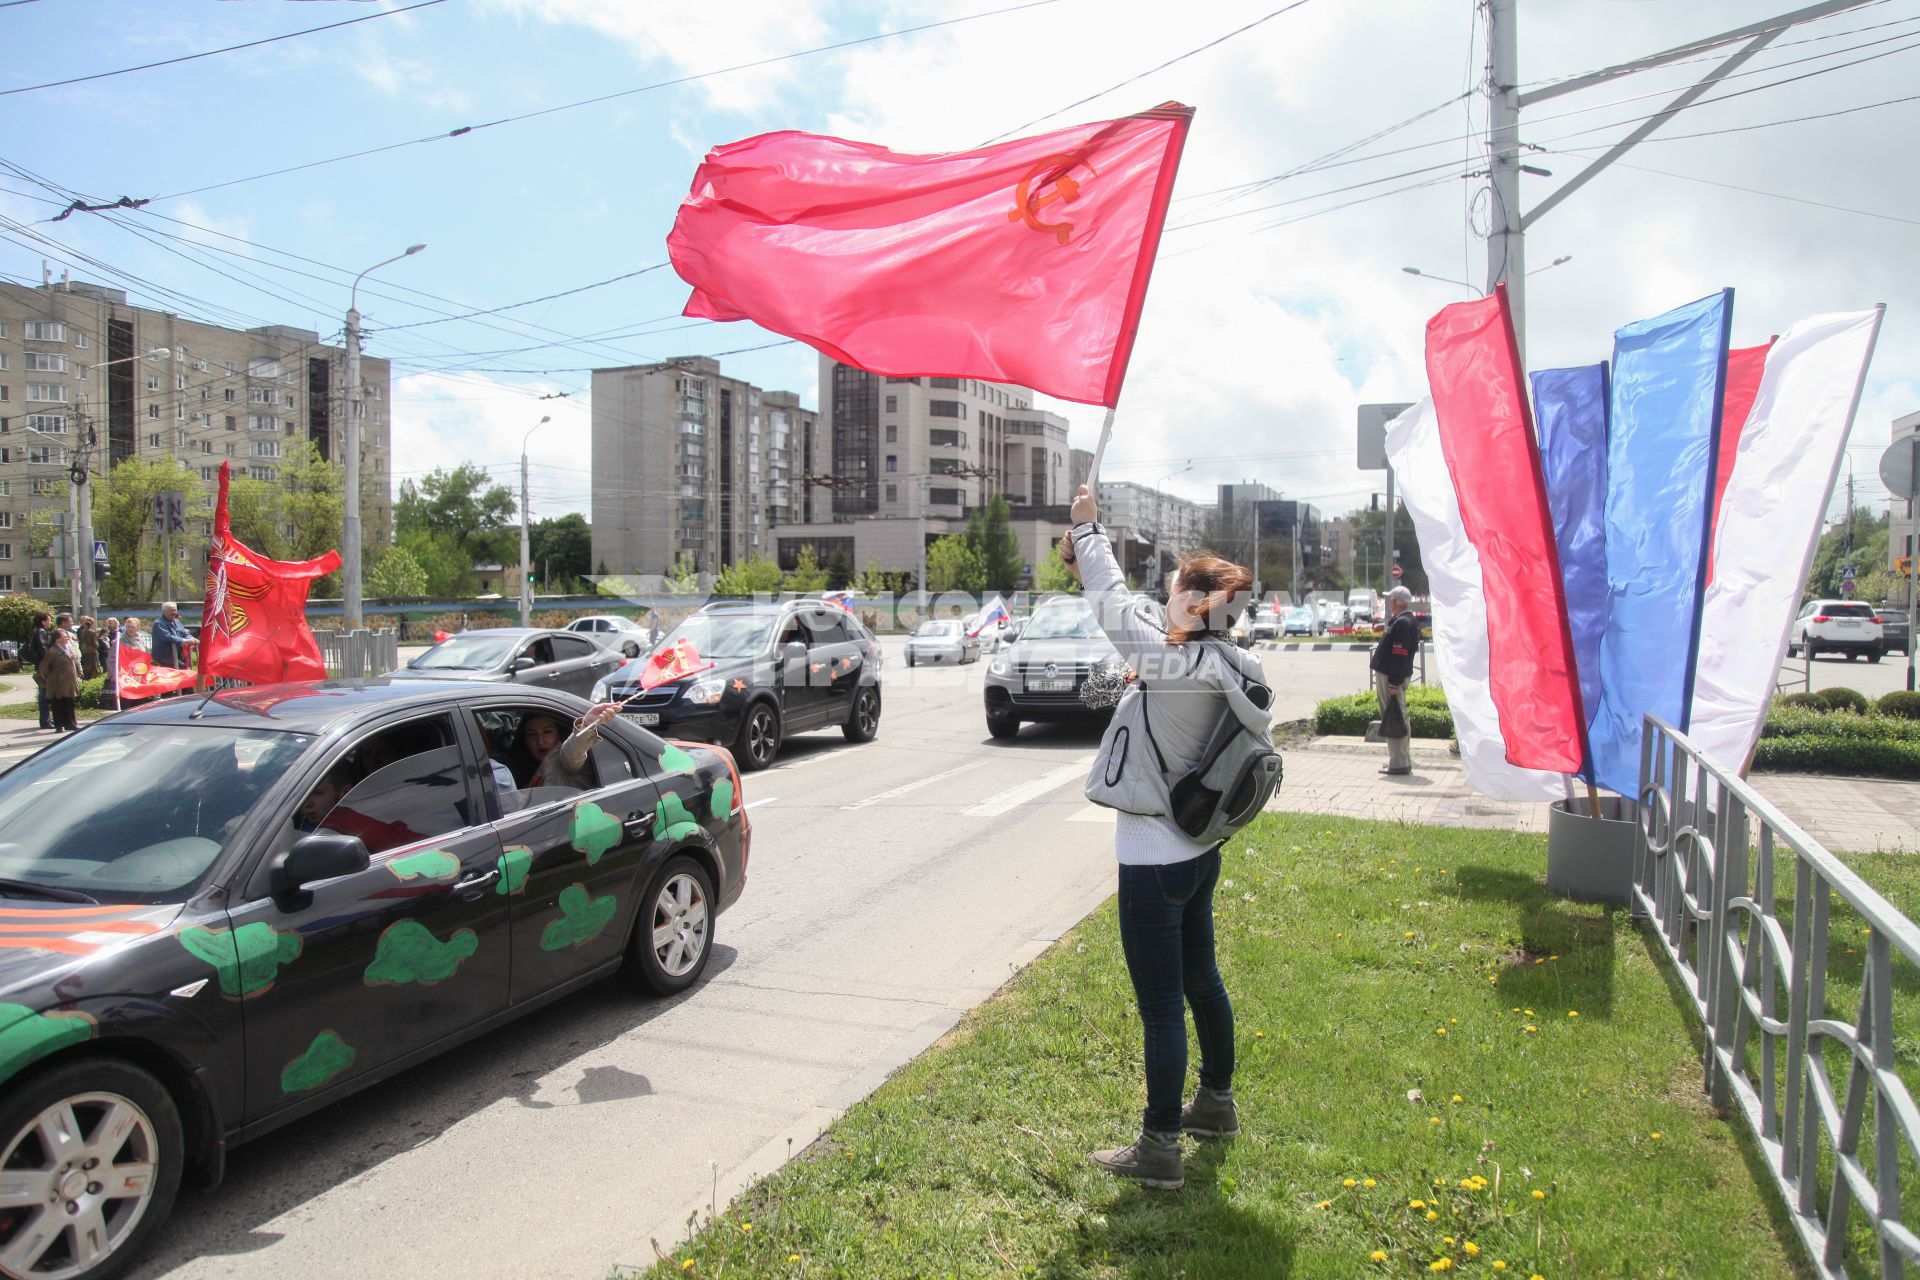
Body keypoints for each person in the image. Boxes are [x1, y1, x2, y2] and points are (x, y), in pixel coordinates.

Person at [1063, 483, 1268, 1192]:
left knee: (1160, 1009)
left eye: (1178, 586)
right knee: (1201, 980)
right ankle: (1215, 1104)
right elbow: (1140, 623)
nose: (1167, 593)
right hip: (1199, 850)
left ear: (1196, 602)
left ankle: (1159, 1146)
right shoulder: (1228, 661)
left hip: (1153, 859)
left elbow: (1119, 609)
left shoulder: (1173, 665)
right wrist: (1085, 560)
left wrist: (1090, 534)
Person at [1371, 586, 1419, 777]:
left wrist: (1393, 682)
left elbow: (1399, 654)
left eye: (1390, 599)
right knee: (1397, 716)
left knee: (1394, 718)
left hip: (1392, 677)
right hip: (1393, 676)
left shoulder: (1402, 623)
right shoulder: (1406, 620)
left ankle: (1398, 763)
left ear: (1397, 602)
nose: (1388, 602)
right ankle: (1399, 760)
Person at [522, 702, 620, 791]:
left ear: (558, 733)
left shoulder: (562, 758)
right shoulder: (525, 765)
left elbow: (572, 752)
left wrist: (586, 724)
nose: (540, 741)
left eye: (547, 732)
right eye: (532, 734)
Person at [39, 626, 80, 734]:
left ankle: (71, 724)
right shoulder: (52, 651)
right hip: (58, 684)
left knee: (69, 703)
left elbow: (75, 661)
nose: (67, 637)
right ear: (57, 639)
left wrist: (79, 671)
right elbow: (43, 669)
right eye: (64, 636)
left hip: (69, 683)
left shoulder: (69, 648)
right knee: (58, 705)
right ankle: (59, 725)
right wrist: (54, 677)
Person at [22, 611, 52, 730]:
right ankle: (45, 721)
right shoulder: (41, 632)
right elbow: (42, 648)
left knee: (44, 693)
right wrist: (49, 662)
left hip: (39, 665)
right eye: (49, 620)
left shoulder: (35, 631)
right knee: (45, 694)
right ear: (43, 621)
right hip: (43, 666)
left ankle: (46, 720)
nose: (50, 622)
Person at [153, 602, 191, 669]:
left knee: (185, 668)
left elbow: (185, 633)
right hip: (164, 657)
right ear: (164, 611)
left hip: (177, 655)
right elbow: (167, 637)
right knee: (182, 668)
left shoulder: (177, 622)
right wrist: (184, 640)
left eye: (175, 610)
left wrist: (192, 639)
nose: (174, 612)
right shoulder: (159, 623)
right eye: (171, 610)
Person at [77, 616, 99, 681]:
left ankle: (85, 680)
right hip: (91, 651)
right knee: (93, 668)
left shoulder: (82, 631)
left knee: (85, 667)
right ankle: (91, 681)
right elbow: (95, 643)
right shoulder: (92, 632)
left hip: (84, 650)